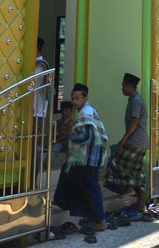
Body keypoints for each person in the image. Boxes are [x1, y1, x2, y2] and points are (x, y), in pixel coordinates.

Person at [53, 83, 110, 233]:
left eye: (77, 98)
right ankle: (94, 218)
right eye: (72, 98)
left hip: (87, 159)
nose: (74, 101)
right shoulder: (89, 111)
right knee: (85, 188)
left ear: (85, 98)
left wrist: (71, 135)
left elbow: (86, 136)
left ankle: (100, 221)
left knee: (91, 189)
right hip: (88, 158)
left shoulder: (85, 114)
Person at [105, 73, 149, 217]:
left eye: (124, 86)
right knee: (136, 172)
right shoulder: (135, 99)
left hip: (135, 141)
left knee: (115, 161)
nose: (122, 89)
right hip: (141, 142)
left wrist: (124, 139)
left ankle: (129, 187)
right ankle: (141, 204)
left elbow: (135, 122)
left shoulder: (136, 101)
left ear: (130, 87)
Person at [32, 38, 50, 184]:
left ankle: (34, 179)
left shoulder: (41, 66)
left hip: (35, 111)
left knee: (34, 146)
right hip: (33, 111)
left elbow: (31, 83)